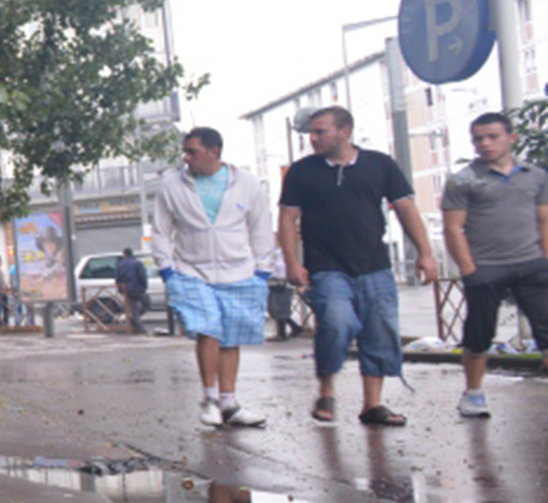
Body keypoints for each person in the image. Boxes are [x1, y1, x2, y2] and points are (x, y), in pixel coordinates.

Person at [279, 105, 438, 426]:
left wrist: (425, 252)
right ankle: (327, 390)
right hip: (326, 266)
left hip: (374, 264)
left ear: (344, 131)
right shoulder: (302, 171)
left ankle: (372, 404)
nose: (313, 138)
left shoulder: (380, 164)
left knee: (380, 331)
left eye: (320, 131)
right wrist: (292, 262)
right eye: (311, 132)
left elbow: (406, 208)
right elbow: (287, 218)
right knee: (337, 323)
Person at [151, 126, 278, 428]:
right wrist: (167, 269)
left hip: (238, 271)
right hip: (191, 271)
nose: (186, 158)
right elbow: (161, 229)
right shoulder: (172, 185)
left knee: (230, 336)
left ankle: (229, 402)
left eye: (192, 151)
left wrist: (263, 269)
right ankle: (209, 399)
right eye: (185, 151)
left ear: (214, 152)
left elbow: (260, 225)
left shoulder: (246, 183)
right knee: (208, 329)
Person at [440, 111, 548, 418]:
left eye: (492, 137)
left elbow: (544, 219)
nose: (485, 144)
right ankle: (473, 393)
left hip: (532, 264)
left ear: (510, 138)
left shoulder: (535, 175)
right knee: (479, 334)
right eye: (478, 139)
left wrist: (546, 260)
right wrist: (469, 269)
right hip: (486, 267)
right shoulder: (463, 180)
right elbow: (452, 229)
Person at [113, 246, 151, 334]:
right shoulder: (138, 263)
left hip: (127, 290)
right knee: (147, 303)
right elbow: (143, 276)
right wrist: (144, 287)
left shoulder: (120, 264)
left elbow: (118, 278)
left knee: (134, 309)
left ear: (124, 254)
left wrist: (120, 290)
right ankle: (137, 324)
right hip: (138, 289)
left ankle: (137, 324)